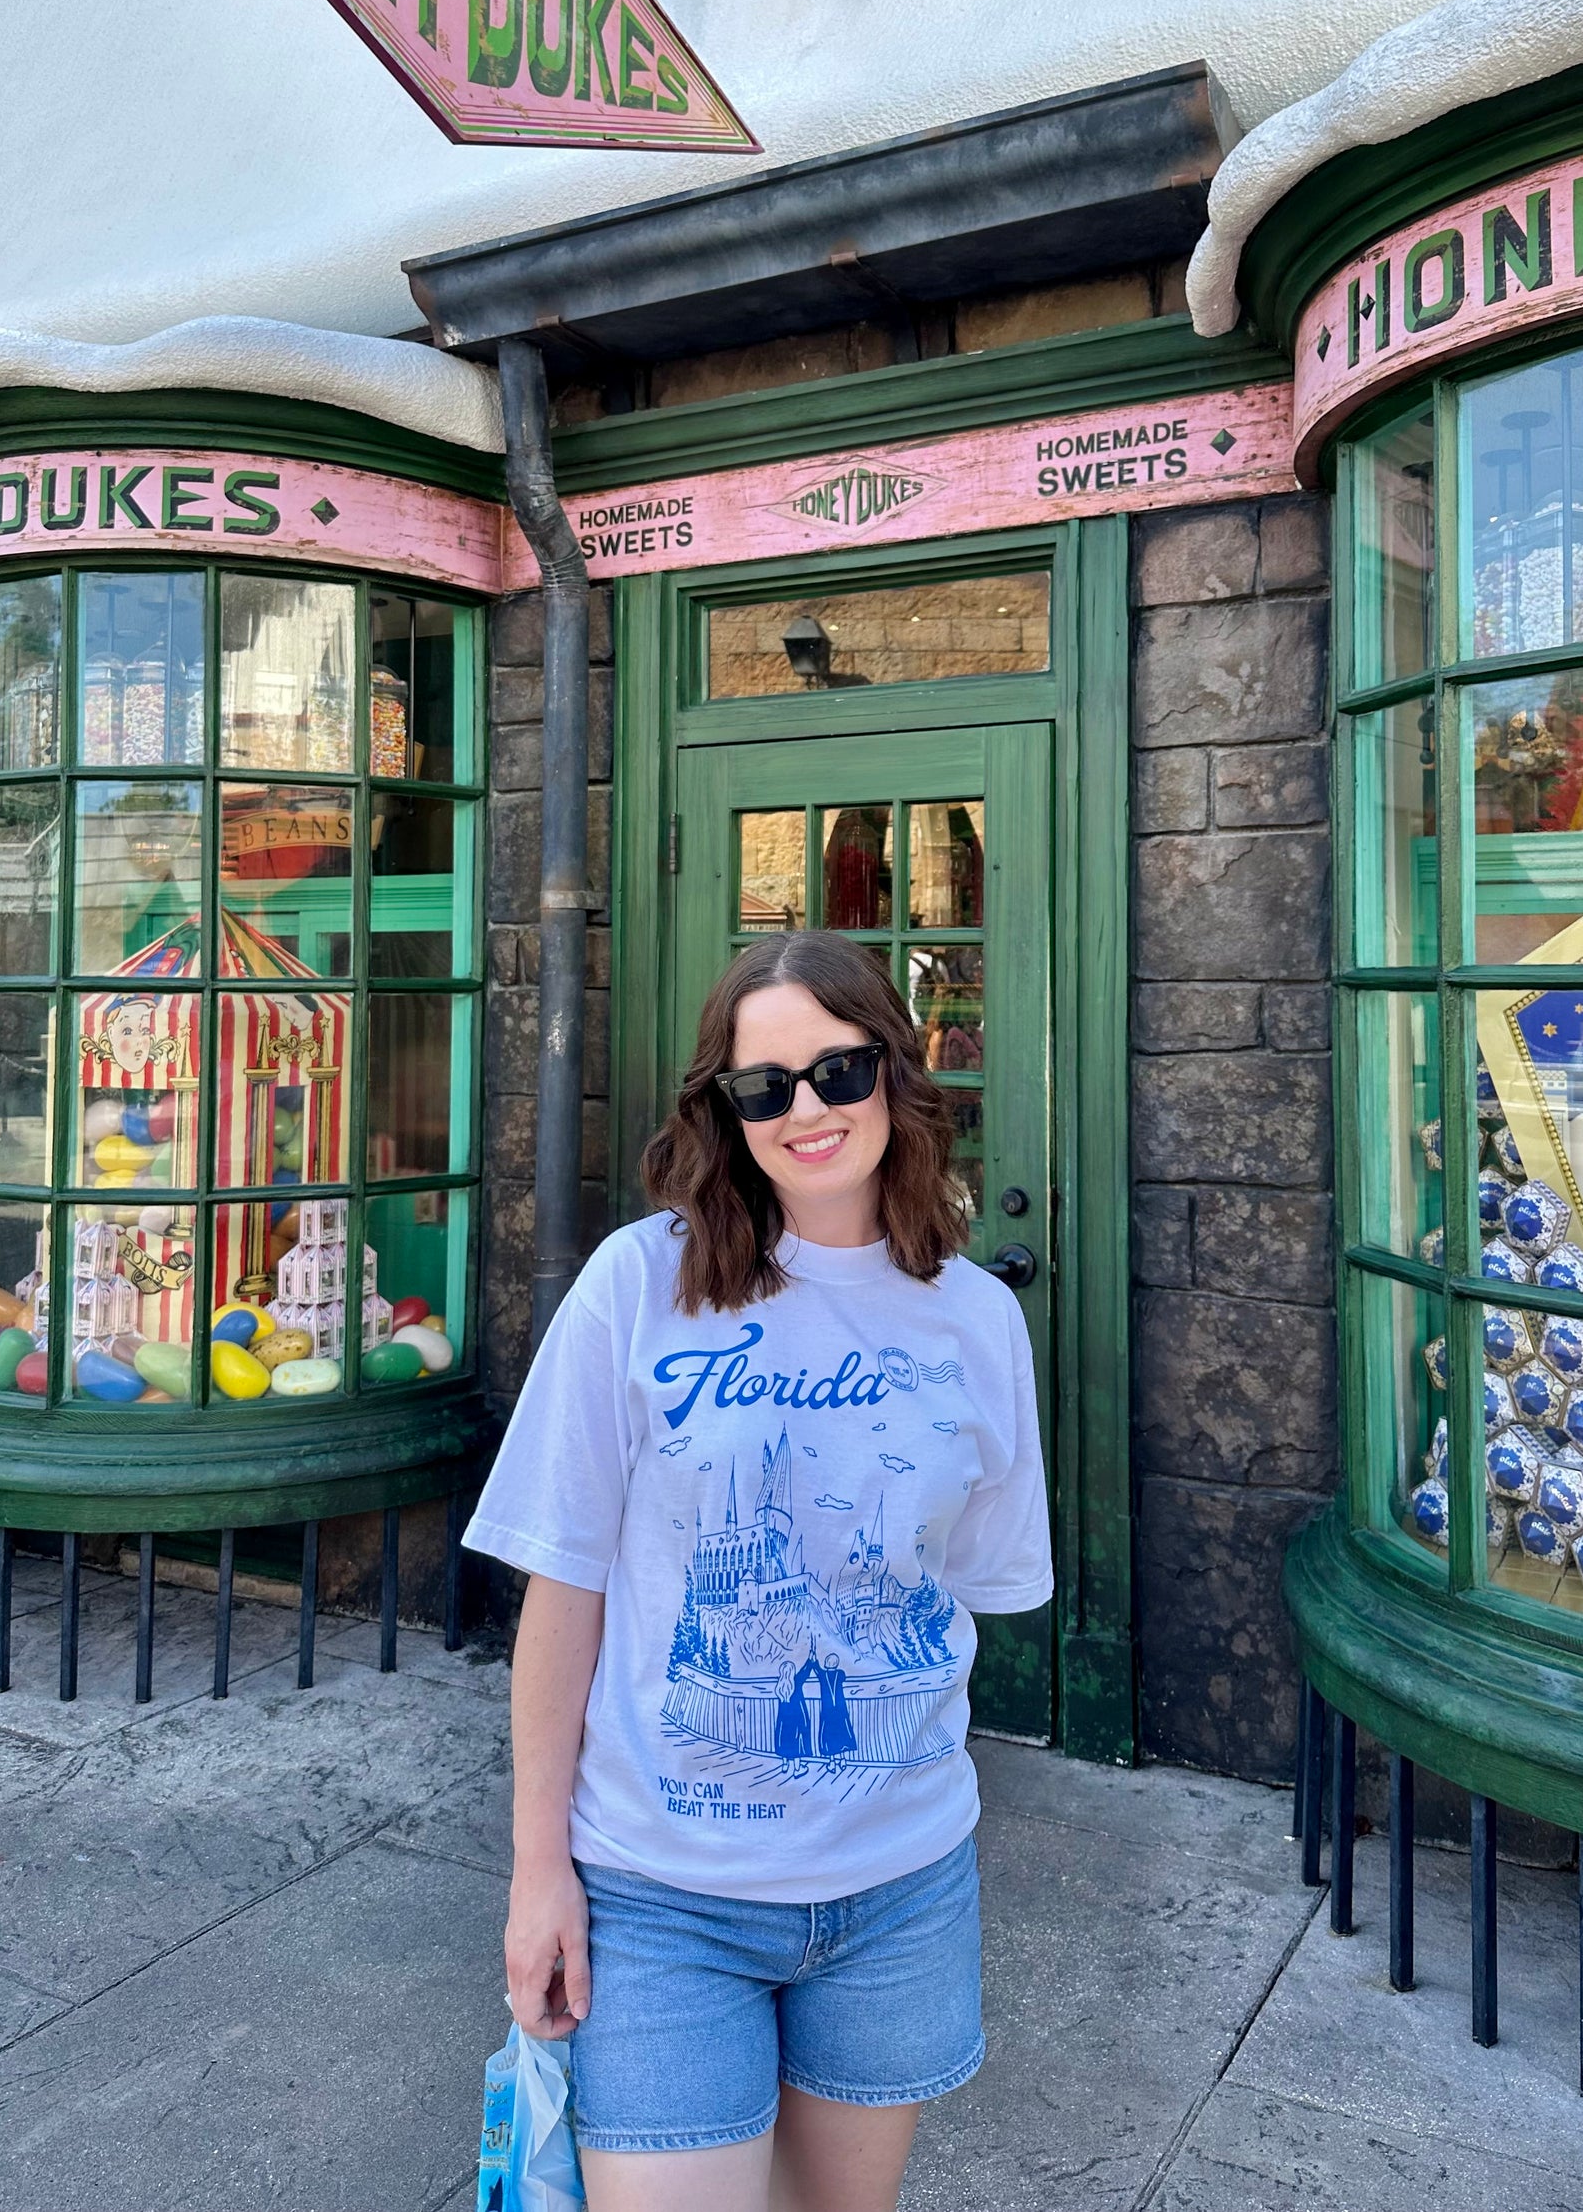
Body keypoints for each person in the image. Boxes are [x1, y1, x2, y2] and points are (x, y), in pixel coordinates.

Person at [465, 932, 1052, 2212]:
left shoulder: (974, 1321)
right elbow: (561, 1594)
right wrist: (535, 1870)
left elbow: (958, 1595)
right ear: (722, 1112)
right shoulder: (640, 1286)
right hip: (660, 1896)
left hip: (896, 1894)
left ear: (896, 1075)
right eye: (761, 1086)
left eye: (838, 1072)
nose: (806, 1111)